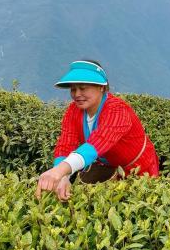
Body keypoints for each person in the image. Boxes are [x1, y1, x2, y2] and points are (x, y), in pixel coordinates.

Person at [35, 60, 158, 201]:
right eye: (73, 89)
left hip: (140, 169)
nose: (77, 94)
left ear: (101, 87)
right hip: (107, 168)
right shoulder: (73, 110)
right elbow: (66, 144)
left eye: (83, 88)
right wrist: (63, 177)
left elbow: (98, 142)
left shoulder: (118, 110)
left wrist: (59, 170)